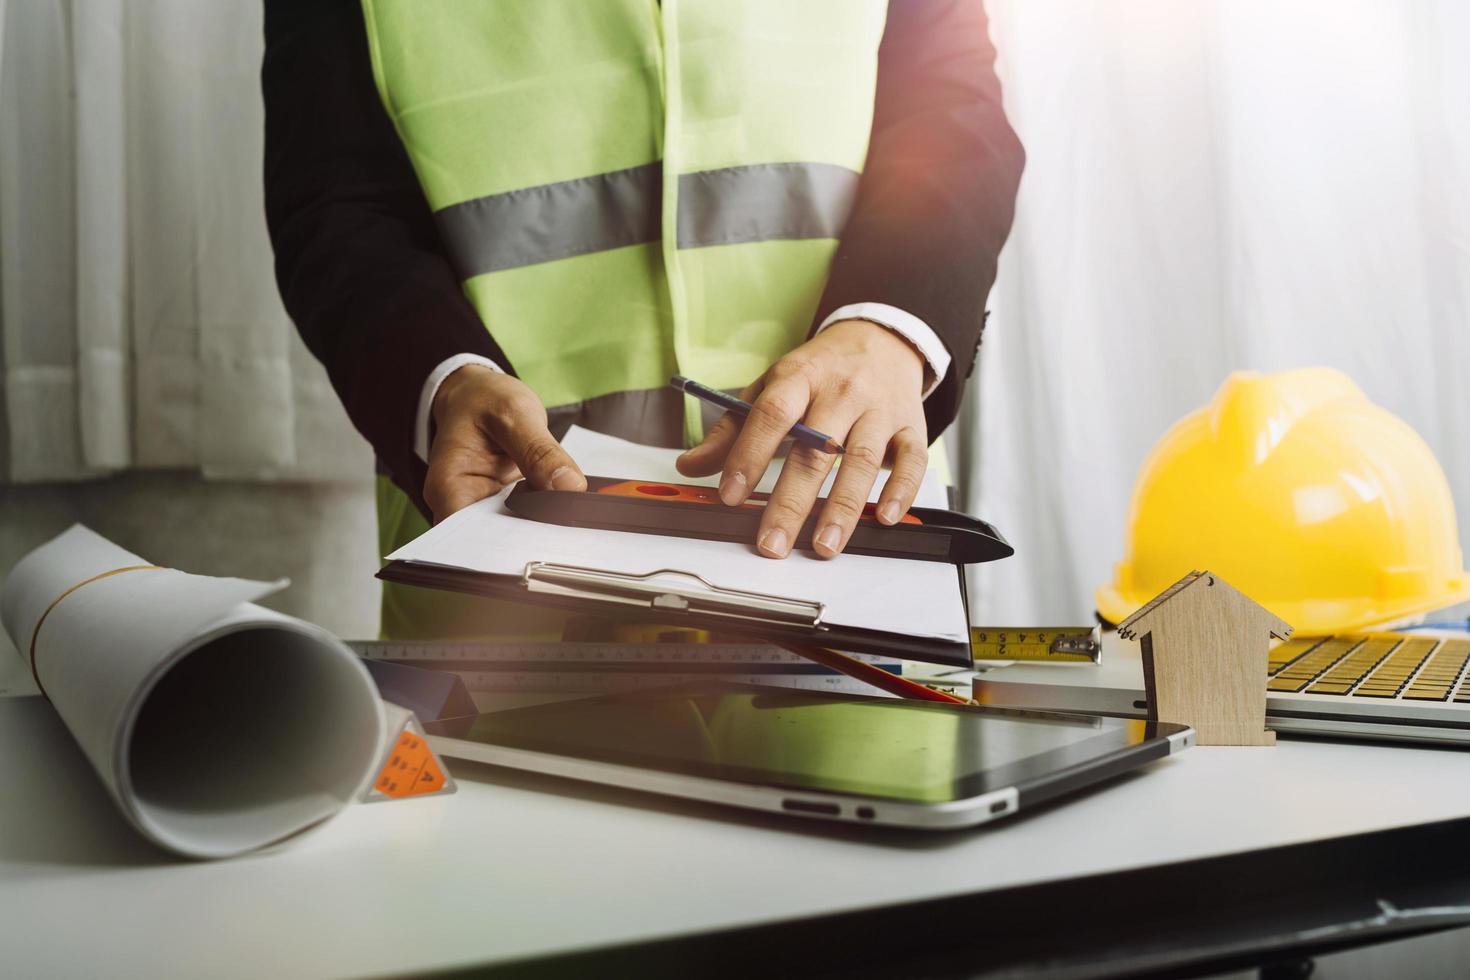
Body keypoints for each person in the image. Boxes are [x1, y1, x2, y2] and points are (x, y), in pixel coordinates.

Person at [262, 0, 1023, 639]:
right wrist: (441, 383)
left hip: (847, 526)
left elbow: (953, 109)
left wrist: (889, 330)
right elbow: (334, 197)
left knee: (875, 805)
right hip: (499, 548)